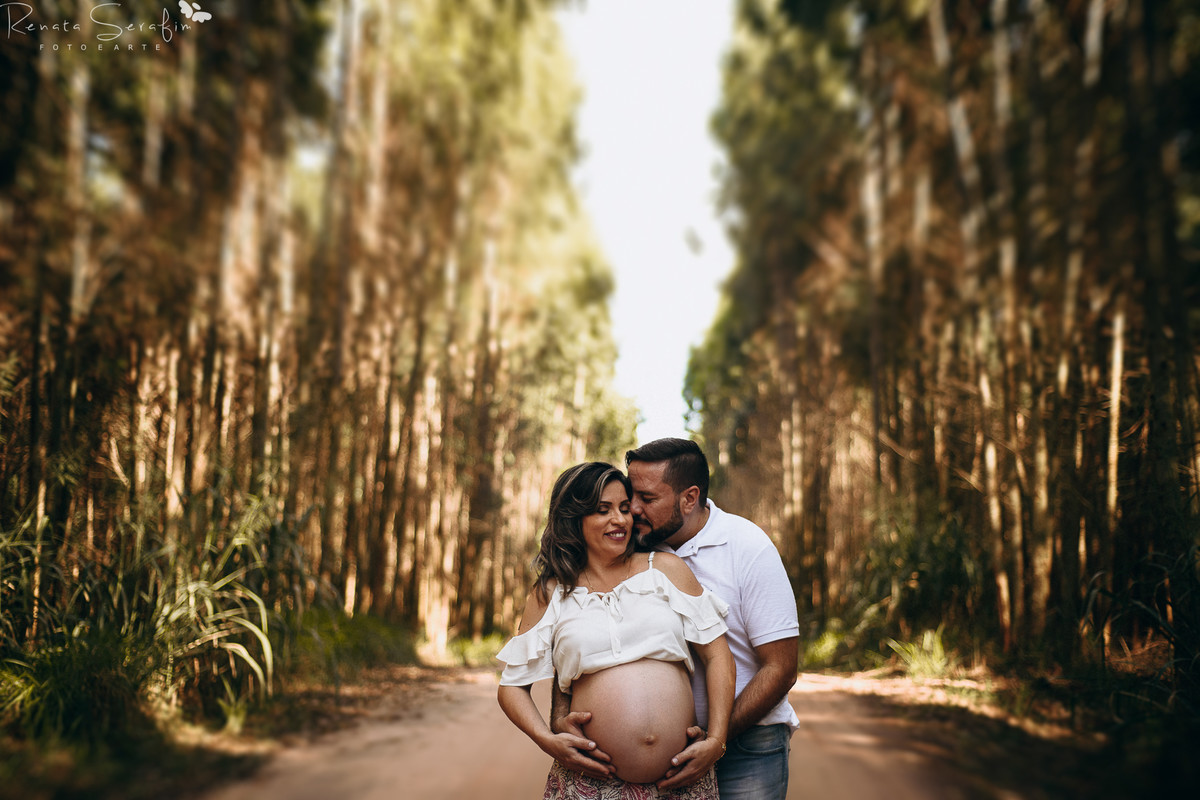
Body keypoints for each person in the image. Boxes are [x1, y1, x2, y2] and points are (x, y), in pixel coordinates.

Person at [554, 439, 799, 800]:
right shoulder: (633, 547)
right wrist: (559, 718)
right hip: (665, 762)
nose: (632, 510)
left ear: (689, 498)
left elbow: (780, 667)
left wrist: (716, 738)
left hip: (748, 744)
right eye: (630, 496)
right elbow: (580, 640)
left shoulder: (747, 547)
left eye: (647, 499)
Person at [496, 461, 737, 799]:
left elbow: (718, 655)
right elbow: (511, 688)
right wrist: (548, 740)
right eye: (603, 510)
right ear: (574, 519)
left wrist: (716, 740)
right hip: (591, 784)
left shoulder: (666, 569)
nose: (620, 520)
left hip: (681, 780)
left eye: (625, 509)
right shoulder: (551, 592)